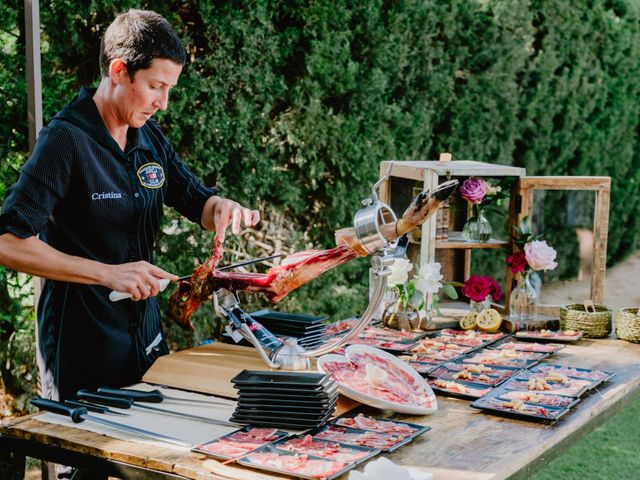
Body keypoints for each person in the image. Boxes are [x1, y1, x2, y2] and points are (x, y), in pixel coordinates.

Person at [0, 9, 260, 406]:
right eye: (156, 86)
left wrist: (221, 207)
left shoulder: (148, 135)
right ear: (119, 70)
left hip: (145, 337)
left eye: (169, 88)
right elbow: (8, 242)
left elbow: (198, 202)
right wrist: (107, 274)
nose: (164, 102)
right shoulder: (66, 140)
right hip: (83, 347)